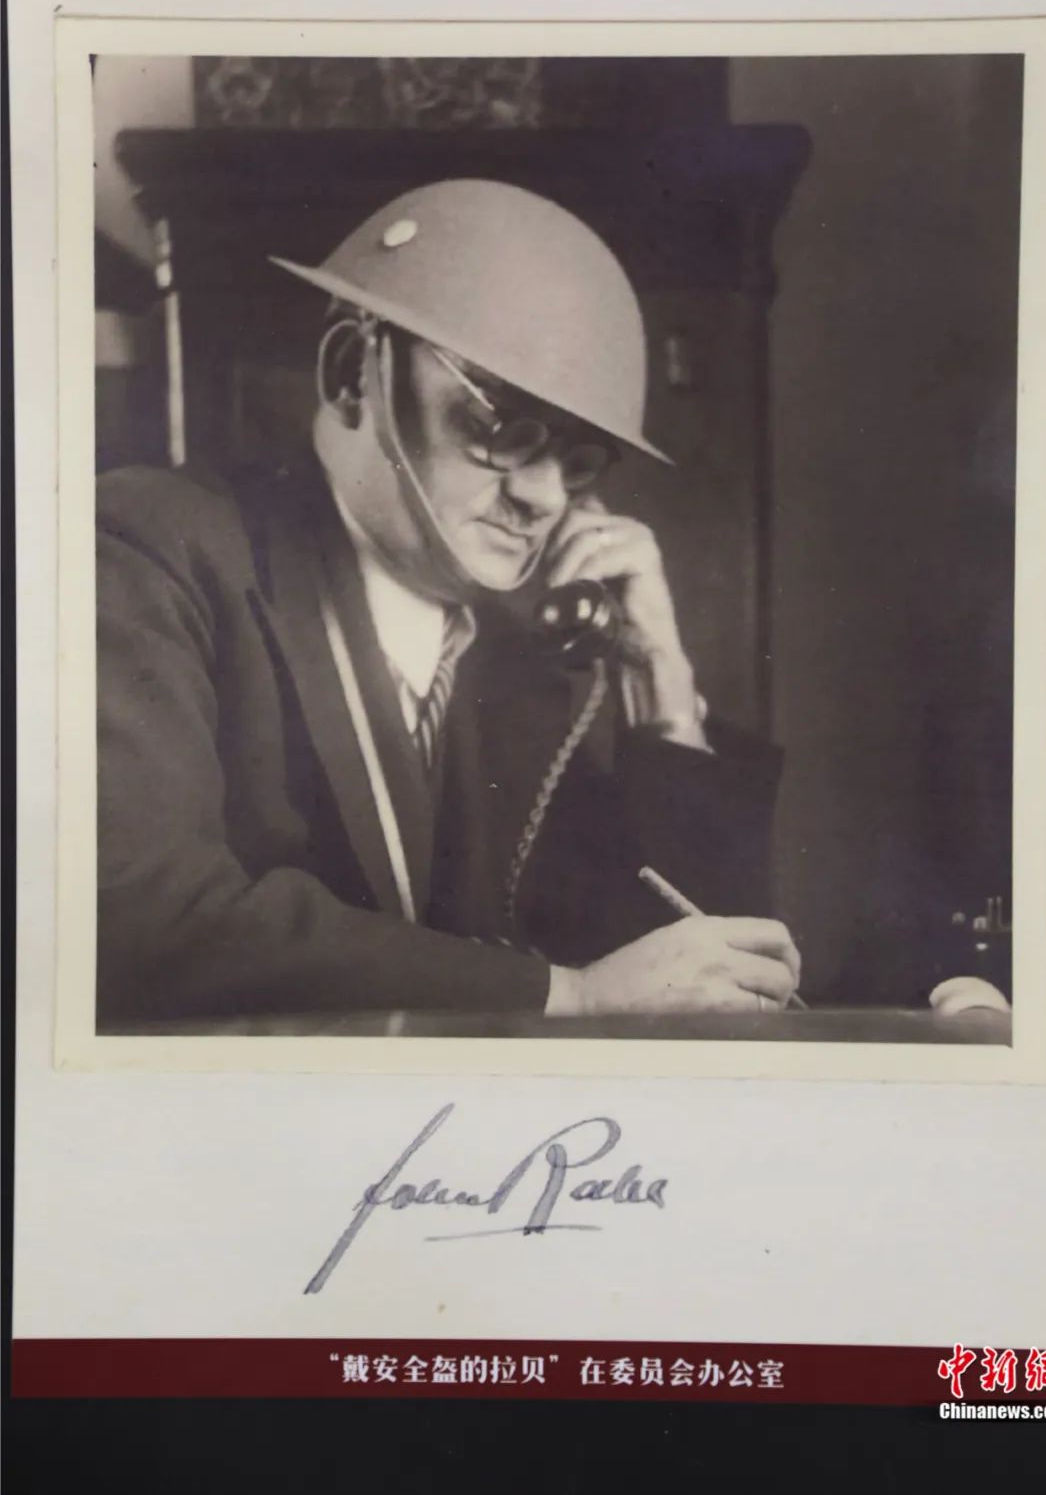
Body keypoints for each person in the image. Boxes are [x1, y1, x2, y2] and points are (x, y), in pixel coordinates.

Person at [96, 178, 801, 1028]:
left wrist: (663, 695)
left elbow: (705, 975)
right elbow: (144, 917)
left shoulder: (524, 667)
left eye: (578, 459)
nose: (543, 496)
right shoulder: (153, 547)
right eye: (503, 428)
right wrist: (565, 993)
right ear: (352, 374)